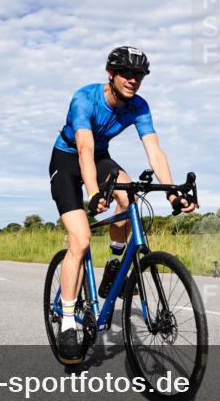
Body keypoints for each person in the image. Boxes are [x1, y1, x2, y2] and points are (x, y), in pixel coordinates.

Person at [49, 46, 196, 363]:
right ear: (111, 75)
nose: (133, 80)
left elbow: (155, 150)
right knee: (81, 239)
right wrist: (93, 192)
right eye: (127, 74)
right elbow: (84, 148)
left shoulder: (139, 106)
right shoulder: (85, 99)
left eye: (139, 75)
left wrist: (172, 192)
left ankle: (116, 259)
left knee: (128, 197)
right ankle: (69, 321)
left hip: (100, 160)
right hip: (67, 159)